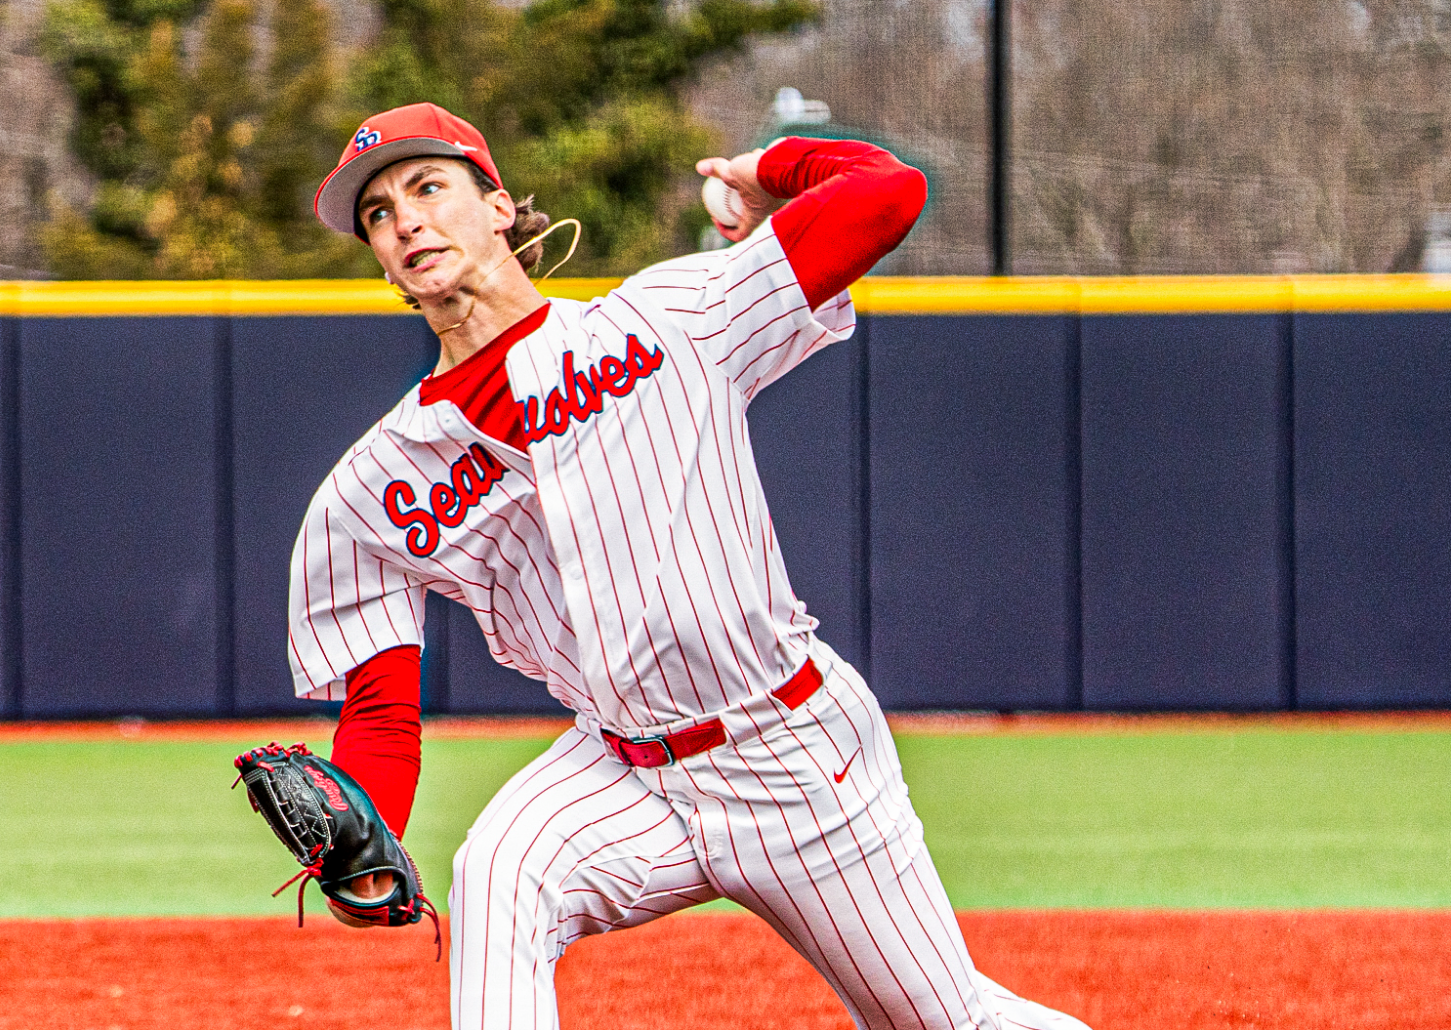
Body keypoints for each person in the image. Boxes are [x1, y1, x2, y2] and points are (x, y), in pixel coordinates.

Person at [287, 101, 1092, 1030]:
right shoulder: (377, 482)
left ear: (499, 206)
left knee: (947, 1022)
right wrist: (368, 840)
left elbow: (885, 192)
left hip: (790, 750)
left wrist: (767, 169)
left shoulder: (669, 319)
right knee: (501, 871)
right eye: (378, 214)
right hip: (623, 769)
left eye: (429, 188)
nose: (406, 221)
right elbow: (381, 710)